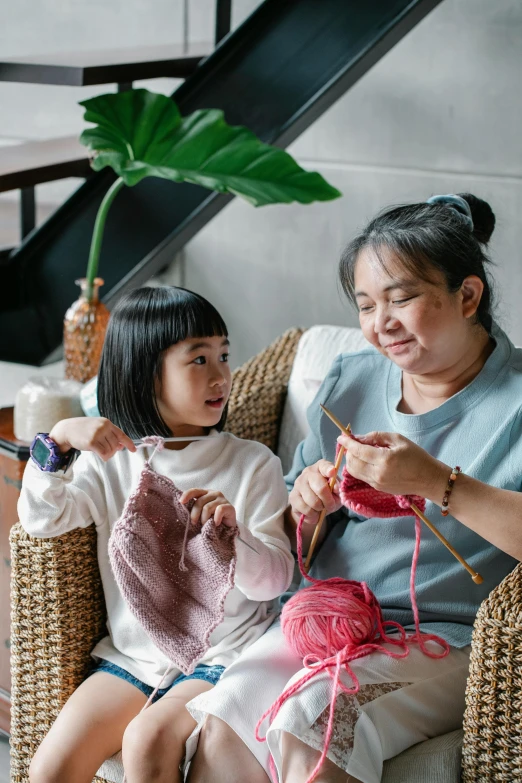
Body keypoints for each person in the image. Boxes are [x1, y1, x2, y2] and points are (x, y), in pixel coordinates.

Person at [185, 193, 522, 783]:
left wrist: (437, 483)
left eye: (402, 298)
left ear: (468, 295)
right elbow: (291, 530)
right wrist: (307, 507)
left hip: (447, 637)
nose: (379, 324)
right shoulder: (353, 377)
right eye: (366, 306)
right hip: (328, 613)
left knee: (316, 717)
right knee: (230, 715)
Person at [18, 286, 294, 783]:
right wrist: (57, 439)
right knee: (48, 770)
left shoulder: (252, 464)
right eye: (199, 359)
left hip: (223, 658)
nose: (221, 375)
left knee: (146, 743)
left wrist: (233, 539)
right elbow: (43, 519)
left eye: (224, 355)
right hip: (133, 660)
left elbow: (274, 583)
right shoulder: (114, 464)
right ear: (147, 372)